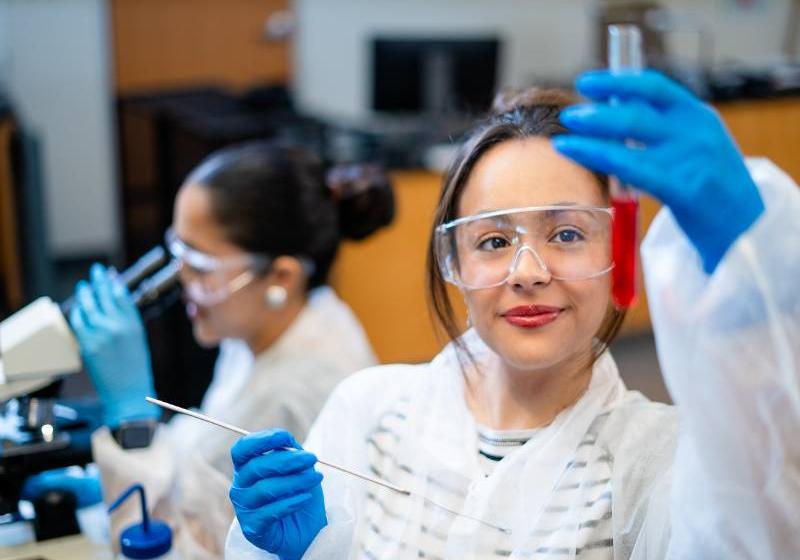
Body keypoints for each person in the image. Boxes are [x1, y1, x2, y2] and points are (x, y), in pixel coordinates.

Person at [224, 70, 800, 559]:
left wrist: (761, 283)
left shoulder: (657, 462)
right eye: (494, 241)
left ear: (617, 248)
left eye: (567, 234)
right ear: (453, 260)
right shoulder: (368, 412)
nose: (527, 272)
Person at [64, 141, 392, 558]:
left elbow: (190, 549)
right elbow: (206, 451)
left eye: (201, 267)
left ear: (281, 276)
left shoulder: (293, 388)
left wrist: (133, 427)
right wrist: (103, 481)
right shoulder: (278, 318)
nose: (182, 281)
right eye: (178, 253)